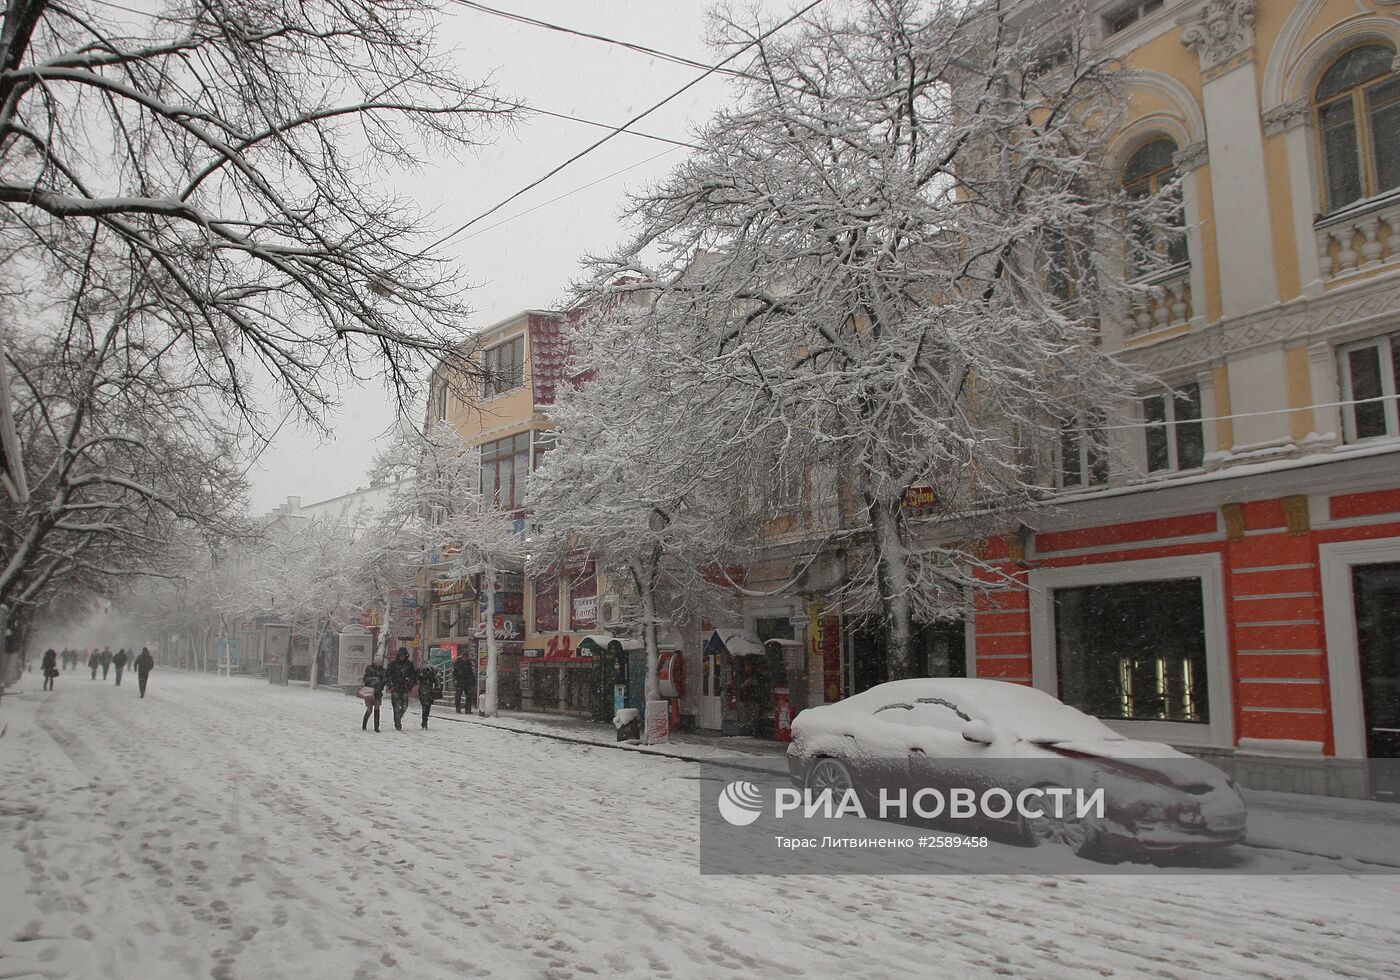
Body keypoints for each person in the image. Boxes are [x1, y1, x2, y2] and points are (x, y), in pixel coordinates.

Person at [385, 648, 417, 731]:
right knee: (396, 707)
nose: (402, 657)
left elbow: (413, 676)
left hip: (404, 688)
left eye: (403, 656)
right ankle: (397, 723)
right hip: (395, 688)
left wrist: (410, 685)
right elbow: (388, 676)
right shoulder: (393, 664)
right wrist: (391, 685)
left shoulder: (409, 664)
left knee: (404, 706)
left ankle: (397, 718)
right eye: (401, 656)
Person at [360, 657, 386, 732]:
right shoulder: (369, 669)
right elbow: (365, 679)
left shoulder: (383, 671)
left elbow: (384, 680)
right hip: (369, 691)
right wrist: (374, 680)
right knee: (369, 709)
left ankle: (376, 727)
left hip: (377, 692)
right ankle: (364, 725)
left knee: (377, 708)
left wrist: (380, 685)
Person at [416, 657, 442, 730]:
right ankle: (425, 721)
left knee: (426, 706)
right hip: (426, 690)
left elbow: (436, 679)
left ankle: (424, 721)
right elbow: (436, 680)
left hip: (425, 690)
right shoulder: (426, 671)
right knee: (426, 706)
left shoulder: (424, 671)